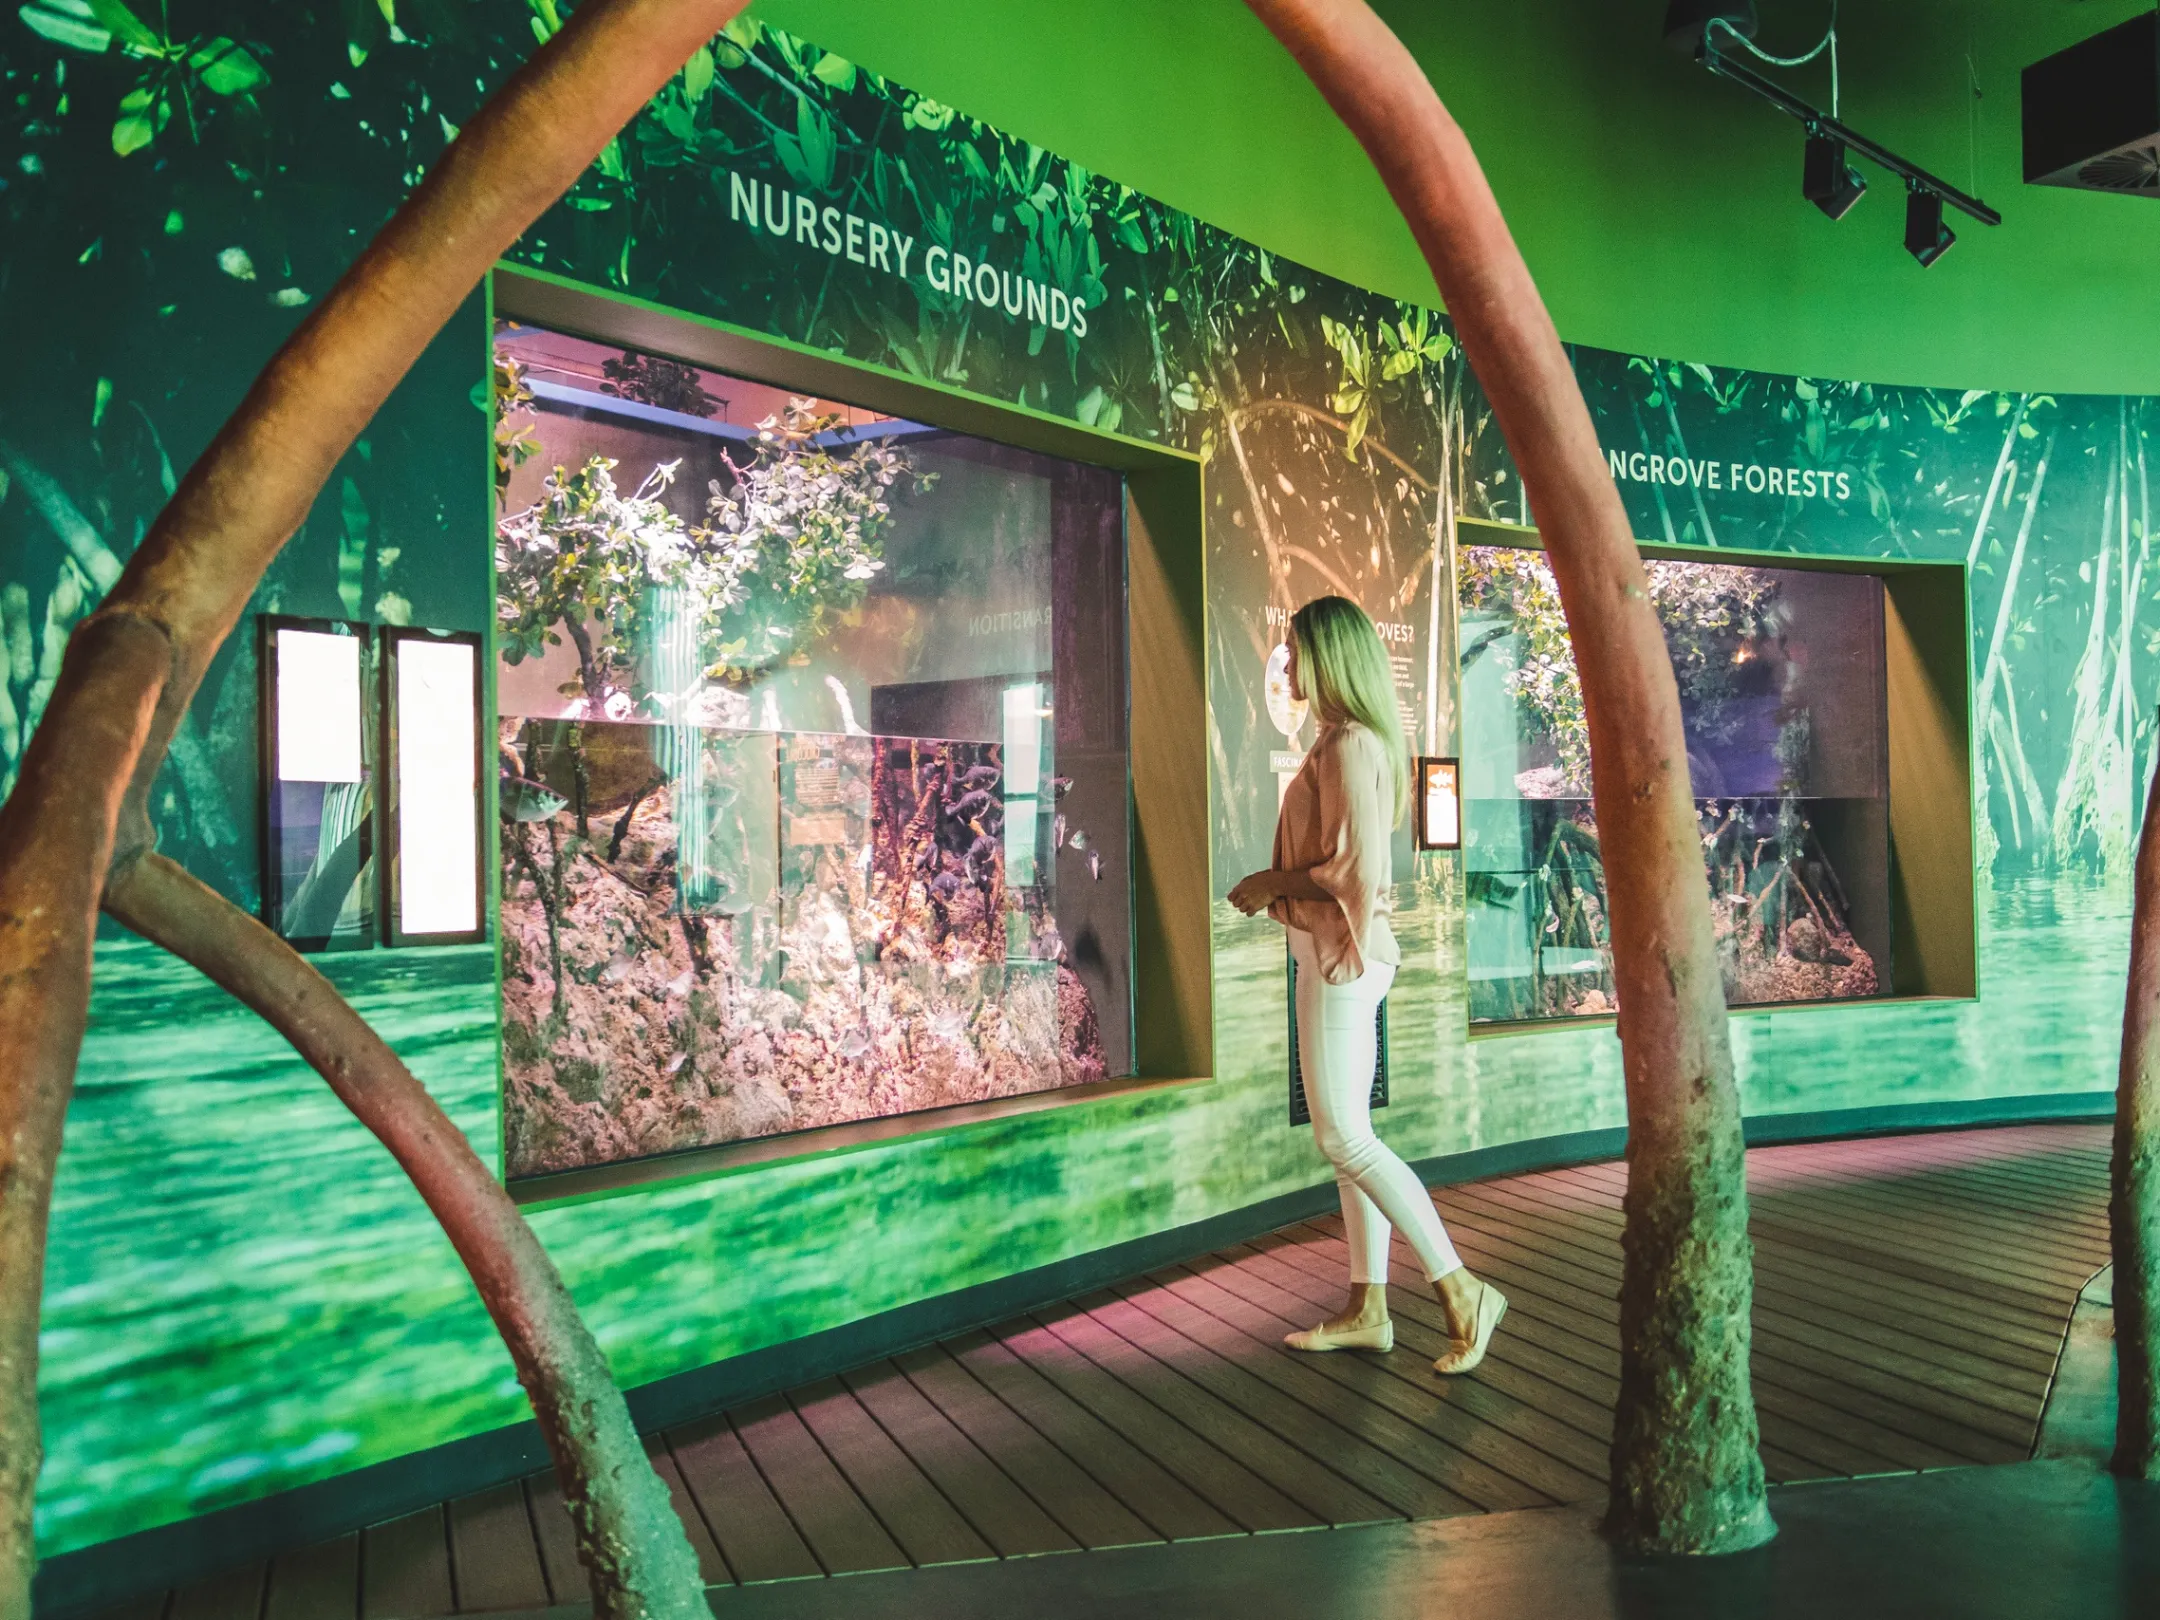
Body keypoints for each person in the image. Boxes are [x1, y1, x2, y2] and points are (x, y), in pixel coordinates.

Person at [1229, 595, 1506, 1375]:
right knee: (1351, 1137)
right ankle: (1367, 1309)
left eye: (1296, 650)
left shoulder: (1350, 744)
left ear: (1330, 657)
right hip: (1337, 956)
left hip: (1339, 958)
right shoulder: (1345, 740)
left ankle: (1462, 1289)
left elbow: (1353, 871)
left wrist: (1270, 881)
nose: (1287, 664)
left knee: (1344, 1137)